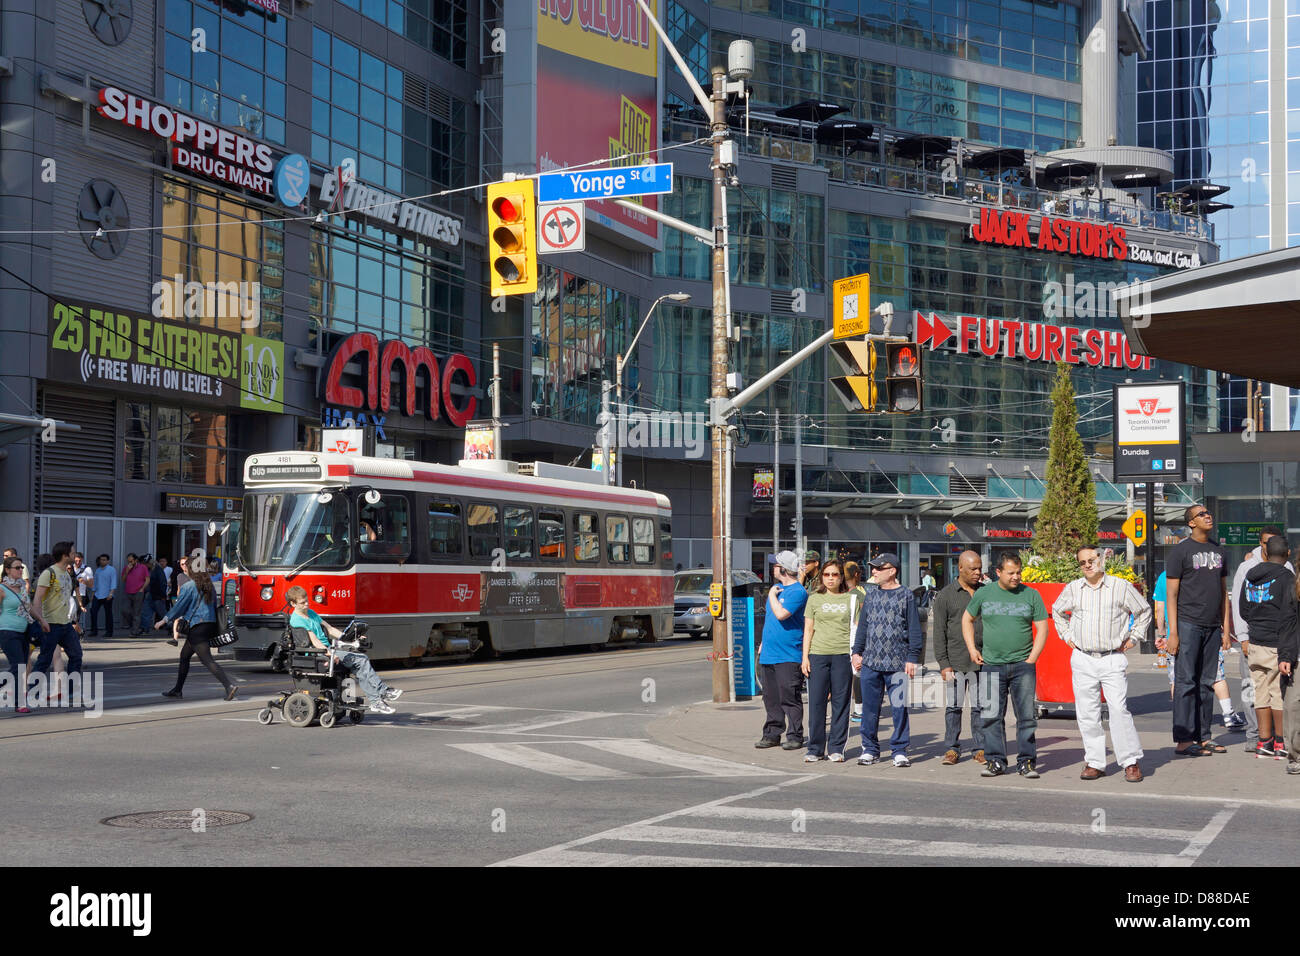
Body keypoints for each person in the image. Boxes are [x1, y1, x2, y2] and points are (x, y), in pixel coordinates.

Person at [1052, 545, 1151, 783]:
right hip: (1083, 658)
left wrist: (1133, 638)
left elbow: (1144, 611)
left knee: (1118, 709)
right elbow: (1056, 611)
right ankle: (1095, 762)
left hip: (1112, 657)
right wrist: (1068, 637)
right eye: (1083, 562)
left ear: (1101, 559)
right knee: (1087, 713)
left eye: (1091, 560)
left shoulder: (1120, 586)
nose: (1087, 565)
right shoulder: (1074, 588)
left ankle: (1130, 762)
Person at [963, 551, 1048, 779]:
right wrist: (972, 649)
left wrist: (1032, 658)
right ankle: (996, 762)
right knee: (991, 716)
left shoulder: (1031, 595)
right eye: (1011, 573)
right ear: (998, 572)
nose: (1016, 577)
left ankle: (1026, 762)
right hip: (991, 665)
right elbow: (967, 619)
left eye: (1019, 572)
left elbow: (1043, 628)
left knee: (1027, 717)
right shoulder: (984, 594)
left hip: (1023, 666)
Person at [1166, 503, 1231, 757]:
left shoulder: (1219, 550)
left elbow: (1223, 591)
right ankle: (1183, 740)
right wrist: (1173, 632)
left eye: (1208, 513)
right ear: (1191, 523)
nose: (1208, 516)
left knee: (1207, 683)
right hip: (1188, 624)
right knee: (1185, 683)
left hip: (1213, 626)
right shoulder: (1181, 551)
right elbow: (1171, 594)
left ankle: (1203, 737)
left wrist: (1226, 629)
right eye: (1201, 514)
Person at [852, 552, 922, 768]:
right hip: (871, 663)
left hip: (898, 663)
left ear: (892, 571)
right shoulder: (871, 595)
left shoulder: (906, 596)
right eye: (873, 567)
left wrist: (912, 657)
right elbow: (863, 626)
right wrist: (857, 652)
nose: (873, 571)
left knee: (899, 708)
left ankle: (899, 750)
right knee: (870, 709)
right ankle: (870, 749)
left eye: (878, 568)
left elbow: (914, 629)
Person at [286, 584, 399, 714]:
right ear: (293, 603)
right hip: (318, 654)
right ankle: (382, 692)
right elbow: (315, 642)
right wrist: (330, 653)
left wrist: (350, 638)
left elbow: (330, 629)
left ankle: (376, 701)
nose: (307, 604)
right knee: (361, 659)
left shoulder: (310, 613)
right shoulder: (297, 620)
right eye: (302, 603)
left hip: (327, 649)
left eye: (307, 601)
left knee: (359, 664)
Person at [1230, 526, 1289, 748]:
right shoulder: (1248, 568)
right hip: (1263, 641)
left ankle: (1266, 740)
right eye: (1265, 541)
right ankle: (1265, 738)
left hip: (1264, 639)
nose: (1268, 545)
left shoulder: (1279, 569)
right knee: (1260, 691)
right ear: (1260, 543)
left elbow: (1243, 607)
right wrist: (1242, 636)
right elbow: (1238, 604)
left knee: (1264, 692)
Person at [931, 549, 986, 766]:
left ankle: (980, 747)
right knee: (954, 707)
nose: (978, 572)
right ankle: (952, 749)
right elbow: (938, 633)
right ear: (960, 568)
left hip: (983, 660)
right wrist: (944, 664)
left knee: (981, 706)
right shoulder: (946, 595)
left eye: (980, 568)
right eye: (973, 568)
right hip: (956, 661)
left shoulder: (986, 592)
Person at [155, 557, 237, 701]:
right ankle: (177, 690)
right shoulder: (208, 585)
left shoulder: (189, 586)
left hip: (197, 627)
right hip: (209, 624)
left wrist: (164, 620)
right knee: (184, 656)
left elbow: (179, 607)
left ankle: (229, 686)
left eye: (187, 566)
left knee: (207, 660)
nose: (185, 569)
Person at [801, 559, 853, 762]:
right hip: (818, 654)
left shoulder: (850, 598)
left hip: (842, 655)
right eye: (826, 574)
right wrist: (804, 657)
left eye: (835, 574)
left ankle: (836, 748)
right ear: (821, 577)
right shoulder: (814, 599)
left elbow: (856, 627)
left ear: (841, 577)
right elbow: (808, 629)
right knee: (816, 703)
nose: (830, 578)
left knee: (841, 704)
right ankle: (814, 749)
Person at [755, 550, 809, 750]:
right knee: (770, 697)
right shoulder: (777, 589)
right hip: (770, 652)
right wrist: (763, 643)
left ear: (784, 569)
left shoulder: (797, 592)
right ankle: (772, 733)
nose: (772, 568)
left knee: (789, 696)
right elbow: (770, 620)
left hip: (789, 654)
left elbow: (781, 615)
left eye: (775, 565)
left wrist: (770, 594)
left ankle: (795, 735)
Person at [29, 542, 83, 698]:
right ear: (65, 555)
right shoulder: (49, 573)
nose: (75, 555)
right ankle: (33, 693)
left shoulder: (66, 574)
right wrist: (41, 621)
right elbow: (37, 599)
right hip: (50, 624)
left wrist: (74, 622)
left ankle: (71, 693)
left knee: (76, 655)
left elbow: (66, 600)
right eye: (72, 553)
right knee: (44, 660)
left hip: (65, 624)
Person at [1, 556, 34, 713]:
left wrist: (41, 620)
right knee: (18, 666)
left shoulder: (21, 587)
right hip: (7, 631)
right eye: (17, 568)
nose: (21, 570)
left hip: (24, 631)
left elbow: (29, 608)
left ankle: (19, 702)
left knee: (21, 666)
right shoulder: (2, 589)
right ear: (7, 570)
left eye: (21, 567)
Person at [844, 561, 868, 720]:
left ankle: (858, 708)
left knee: (853, 673)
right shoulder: (857, 593)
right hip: (851, 637)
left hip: (847, 638)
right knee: (855, 673)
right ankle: (858, 708)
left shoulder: (854, 594)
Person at [88, 553, 117, 637]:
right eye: (101, 560)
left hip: (107, 595)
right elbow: (95, 583)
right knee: (93, 612)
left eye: (104, 560)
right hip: (97, 595)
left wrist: (111, 594)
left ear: (108, 561)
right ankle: (94, 631)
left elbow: (113, 582)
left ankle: (109, 632)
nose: (102, 561)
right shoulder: (98, 570)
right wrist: (93, 594)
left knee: (108, 614)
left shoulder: (111, 569)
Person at [121, 553, 148, 636]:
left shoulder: (143, 567)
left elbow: (147, 579)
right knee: (125, 610)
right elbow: (123, 580)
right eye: (128, 561)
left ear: (136, 560)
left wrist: (142, 589)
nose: (130, 563)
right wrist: (127, 571)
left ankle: (134, 631)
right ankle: (135, 626)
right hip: (128, 592)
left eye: (131, 561)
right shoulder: (126, 568)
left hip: (138, 592)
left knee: (137, 612)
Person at [142, 555, 170, 634]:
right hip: (150, 594)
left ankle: (171, 627)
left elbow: (162, 583)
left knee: (163, 613)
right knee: (145, 612)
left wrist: (162, 595)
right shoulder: (150, 570)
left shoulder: (158, 570)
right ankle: (144, 628)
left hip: (158, 595)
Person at [72, 553, 92, 631]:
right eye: (76, 561)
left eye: (79, 561)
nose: (77, 563)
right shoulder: (70, 568)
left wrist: (84, 581)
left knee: (75, 617)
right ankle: (80, 631)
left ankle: (75, 635)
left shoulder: (87, 569)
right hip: (69, 595)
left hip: (80, 595)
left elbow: (91, 584)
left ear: (82, 559)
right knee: (69, 617)